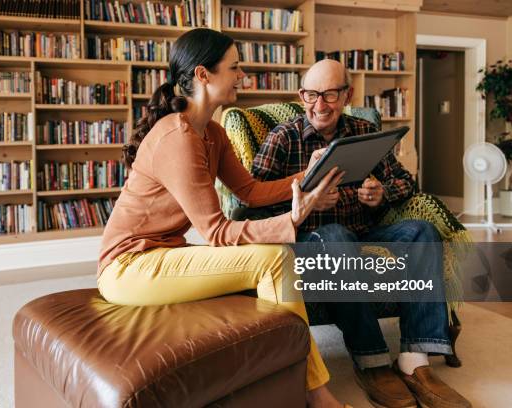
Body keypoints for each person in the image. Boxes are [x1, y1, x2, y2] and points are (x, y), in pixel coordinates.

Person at [98, 28, 351, 408]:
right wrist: (295, 219)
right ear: (203, 75)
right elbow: (216, 231)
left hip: (163, 254)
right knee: (275, 259)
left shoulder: (212, 132)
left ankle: (280, 381)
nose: (242, 76)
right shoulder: (177, 137)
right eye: (234, 68)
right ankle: (316, 394)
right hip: (129, 267)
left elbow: (248, 191)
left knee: (273, 259)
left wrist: (308, 175)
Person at [251, 59, 472, 408]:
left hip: (363, 233)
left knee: (421, 232)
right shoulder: (283, 137)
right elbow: (252, 204)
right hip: (308, 242)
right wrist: (305, 203)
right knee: (337, 235)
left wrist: (382, 191)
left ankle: (416, 360)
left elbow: (405, 181)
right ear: (300, 94)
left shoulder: (362, 132)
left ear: (347, 94)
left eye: (330, 95)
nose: (319, 105)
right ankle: (371, 360)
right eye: (311, 94)